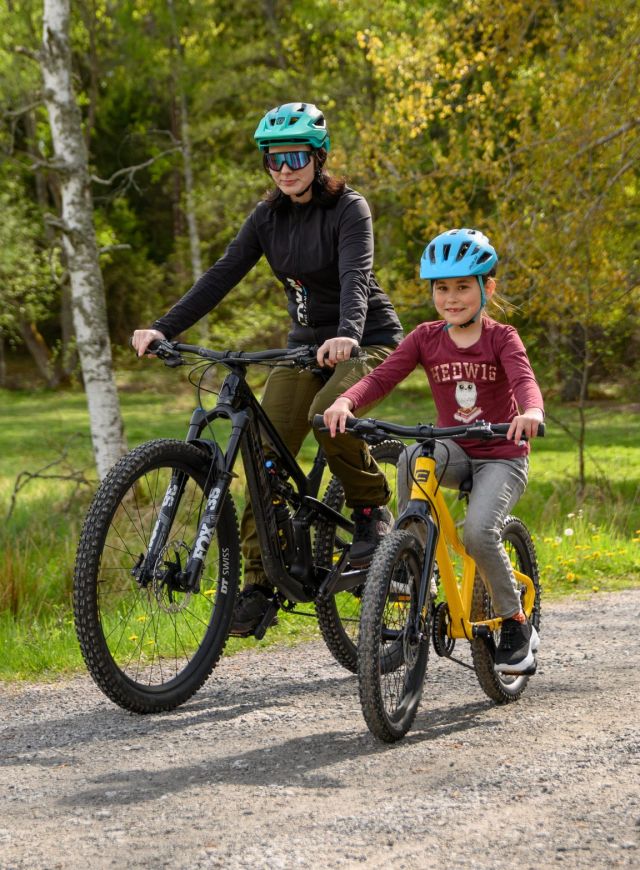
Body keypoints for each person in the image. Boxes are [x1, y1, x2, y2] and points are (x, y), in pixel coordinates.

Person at [132, 101, 404, 637]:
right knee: (259, 456)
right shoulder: (267, 218)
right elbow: (221, 274)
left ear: (317, 157)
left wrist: (348, 334)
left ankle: (373, 511)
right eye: (275, 158)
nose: (285, 168)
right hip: (303, 347)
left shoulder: (350, 209)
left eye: (296, 155)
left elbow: (356, 276)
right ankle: (260, 584)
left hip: (367, 340)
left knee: (330, 415)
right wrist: (165, 327)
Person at [323, 227, 544, 675]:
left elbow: (524, 382)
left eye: (464, 286)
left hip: (502, 455)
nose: (452, 298)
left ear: (488, 288)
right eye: (442, 288)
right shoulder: (426, 337)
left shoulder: (502, 337)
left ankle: (516, 621)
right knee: (411, 458)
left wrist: (532, 412)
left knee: (479, 534)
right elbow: (382, 376)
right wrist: (347, 399)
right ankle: (412, 558)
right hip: (455, 450)